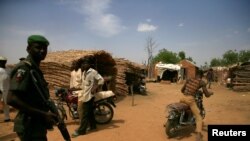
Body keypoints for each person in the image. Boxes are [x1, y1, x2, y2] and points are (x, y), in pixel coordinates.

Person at [7, 35, 57, 141]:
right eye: (38, 47)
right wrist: (43, 114)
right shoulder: (24, 68)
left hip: (37, 125)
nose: (42, 51)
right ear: (28, 49)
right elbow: (11, 99)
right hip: (29, 125)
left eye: (45, 48)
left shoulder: (35, 69)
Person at [72, 56, 104, 138]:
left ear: (89, 64)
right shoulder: (84, 72)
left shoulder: (93, 72)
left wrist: (95, 87)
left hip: (89, 96)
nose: (83, 65)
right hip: (84, 95)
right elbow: (84, 85)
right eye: (82, 63)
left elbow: (101, 80)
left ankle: (81, 131)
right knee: (89, 113)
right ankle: (93, 126)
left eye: (85, 63)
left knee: (85, 114)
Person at [180, 70, 213, 141]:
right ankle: (198, 135)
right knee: (199, 117)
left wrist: (190, 90)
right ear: (202, 75)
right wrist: (211, 93)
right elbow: (206, 94)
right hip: (190, 99)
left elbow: (182, 90)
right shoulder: (201, 82)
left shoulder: (189, 79)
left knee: (181, 109)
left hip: (182, 98)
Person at [0, 56, 11, 122]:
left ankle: (7, 117)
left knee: (6, 104)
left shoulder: (8, 69)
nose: (3, 63)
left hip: (6, 90)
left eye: (4, 62)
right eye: (1, 62)